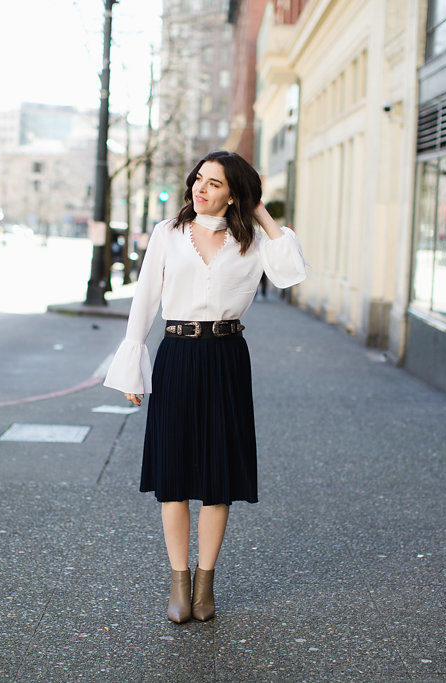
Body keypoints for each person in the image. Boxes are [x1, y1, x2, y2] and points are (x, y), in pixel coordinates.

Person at [103, 150, 307, 623]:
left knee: (218, 479)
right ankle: (178, 581)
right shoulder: (167, 234)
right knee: (173, 475)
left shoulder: (253, 239)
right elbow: (145, 299)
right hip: (177, 353)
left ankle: (205, 584)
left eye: (215, 183)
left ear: (234, 193)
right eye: (199, 178)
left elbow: (290, 273)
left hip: (226, 359)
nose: (201, 188)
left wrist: (260, 211)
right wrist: (132, 364)